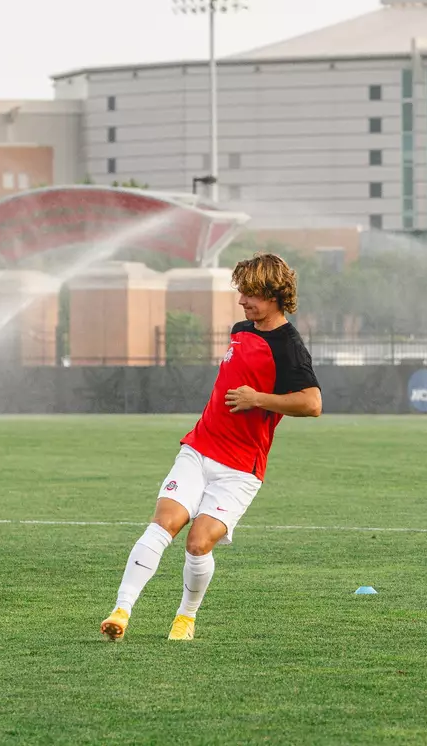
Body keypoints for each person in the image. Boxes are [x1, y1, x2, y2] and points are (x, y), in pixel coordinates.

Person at [100, 253, 321, 642]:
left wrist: (258, 399)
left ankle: (185, 617)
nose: (242, 301)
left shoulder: (289, 345)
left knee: (198, 542)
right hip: (199, 449)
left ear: (274, 294)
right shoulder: (241, 329)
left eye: (251, 294)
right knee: (163, 524)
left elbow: (312, 403)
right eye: (242, 293)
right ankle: (121, 610)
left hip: (240, 469)